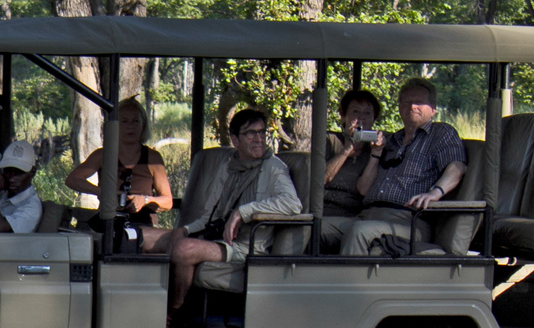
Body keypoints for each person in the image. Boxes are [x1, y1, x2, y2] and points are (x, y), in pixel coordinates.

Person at [162, 108, 301, 313]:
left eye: (262, 133)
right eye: (251, 133)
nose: (259, 139)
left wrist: (242, 212)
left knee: (184, 250)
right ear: (235, 140)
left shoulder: (273, 167)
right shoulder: (228, 166)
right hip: (215, 235)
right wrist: (187, 229)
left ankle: (172, 315)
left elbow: (292, 204)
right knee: (148, 237)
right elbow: (210, 215)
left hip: (244, 246)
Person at [337, 77, 467, 256]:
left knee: (358, 231)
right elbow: (363, 189)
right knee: (316, 227)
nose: (412, 106)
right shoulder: (392, 140)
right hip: (367, 215)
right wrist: (376, 154)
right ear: (399, 108)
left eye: (419, 102)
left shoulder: (441, 133)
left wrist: (435, 192)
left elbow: (457, 167)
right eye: (407, 102)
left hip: (407, 221)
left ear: (433, 109)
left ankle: (345, 284)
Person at [64, 98, 174, 221]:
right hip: (108, 221)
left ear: (143, 125)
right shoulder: (103, 155)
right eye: (125, 121)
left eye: (136, 121)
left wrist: (145, 200)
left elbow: (167, 201)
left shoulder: (153, 158)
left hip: (142, 224)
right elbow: (73, 180)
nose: (130, 126)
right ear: (115, 125)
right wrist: (104, 192)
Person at [323, 88, 383, 221]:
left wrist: (375, 154)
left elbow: (364, 190)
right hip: (322, 210)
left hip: (351, 216)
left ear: (373, 119)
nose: (361, 118)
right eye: (355, 112)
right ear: (344, 116)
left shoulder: (375, 148)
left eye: (367, 113)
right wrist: (347, 148)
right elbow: (321, 179)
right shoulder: (330, 140)